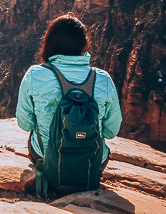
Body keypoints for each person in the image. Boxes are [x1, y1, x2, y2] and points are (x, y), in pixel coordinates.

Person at [16, 14, 122, 188]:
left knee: (36, 135)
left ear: (49, 43)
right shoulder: (103, 79)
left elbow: (25, 123)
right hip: (93, 163)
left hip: (45, 157)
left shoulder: (35, 74)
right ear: (83, 45)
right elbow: (111, 131)